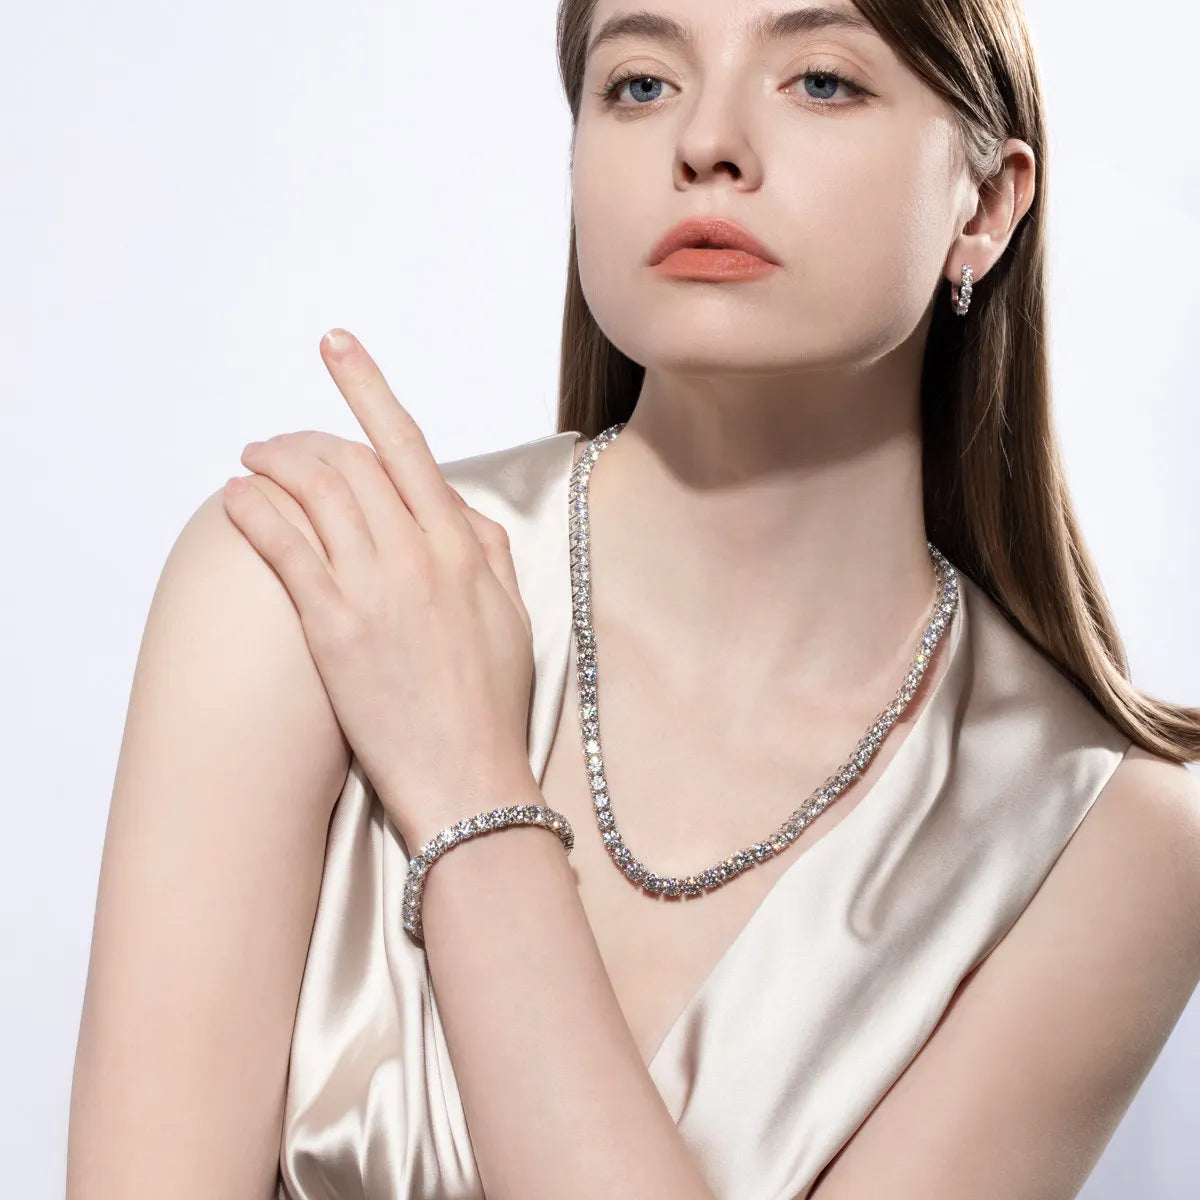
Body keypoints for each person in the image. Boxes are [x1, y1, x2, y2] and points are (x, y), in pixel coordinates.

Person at [67, 0, 1200, 1197]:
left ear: (984, 205)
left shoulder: (1111, 834)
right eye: (641, 83)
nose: (706, 140)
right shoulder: (304, 581)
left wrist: (469, 789)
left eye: (818, 80)